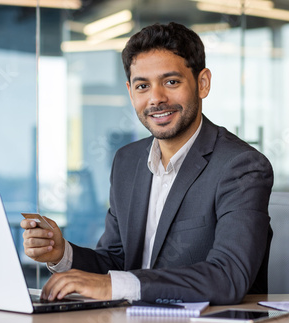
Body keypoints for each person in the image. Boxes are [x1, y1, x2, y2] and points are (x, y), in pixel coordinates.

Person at [21, 22, 274, 305]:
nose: (156, 99)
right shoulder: (127, 161)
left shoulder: (241, 166)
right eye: (143, 86)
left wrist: (122, 286)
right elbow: (117, 261)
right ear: (131, 92)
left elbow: (228, 277)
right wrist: (61, 253)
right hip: (132, 321)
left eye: (171, 82)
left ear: (202, 83)